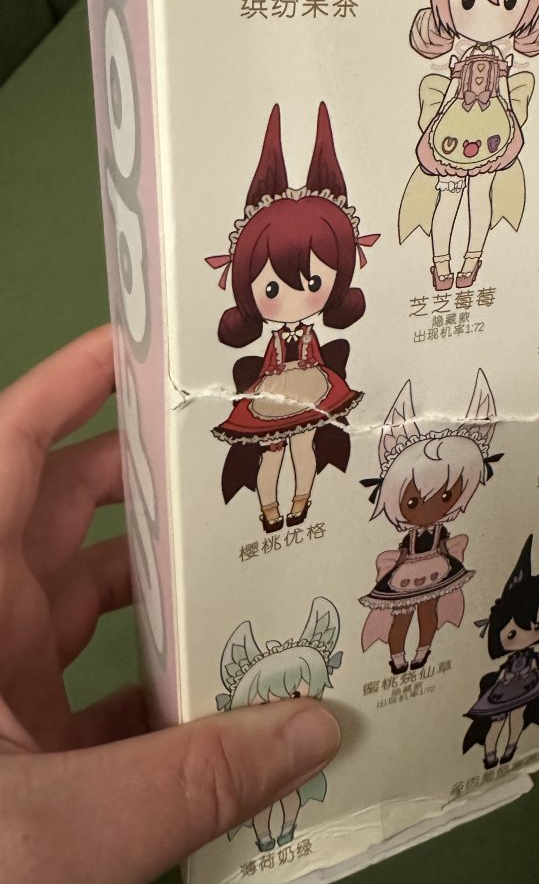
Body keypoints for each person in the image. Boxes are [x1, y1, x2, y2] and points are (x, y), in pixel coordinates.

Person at [0, 325, 340, 884]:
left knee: (301, 450)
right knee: (275, 455)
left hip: (305, 395)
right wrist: (217, 778)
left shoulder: (307, 341)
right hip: (275, 399)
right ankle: (272, 509)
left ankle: (298, 501)